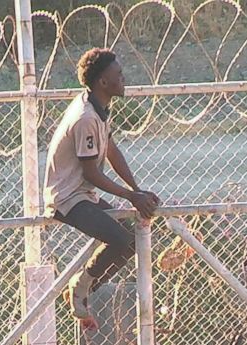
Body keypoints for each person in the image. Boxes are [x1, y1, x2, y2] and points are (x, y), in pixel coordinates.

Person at [44, 47, 161, 329]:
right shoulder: (85, 117)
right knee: (119, 240)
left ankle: (83, 288)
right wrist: (130, 196)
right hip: (67, 198)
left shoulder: (98, 107)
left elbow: (110, 149)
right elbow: (91, 172)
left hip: (83, 194)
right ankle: (81, 288)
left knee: (132, 240)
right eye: (118, 75)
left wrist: (137, 189)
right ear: (102, 82)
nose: (124, 79)